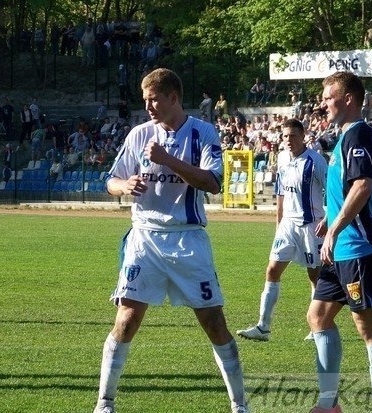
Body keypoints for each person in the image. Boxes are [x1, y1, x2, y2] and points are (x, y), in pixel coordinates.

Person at [92, 68, 249, 413]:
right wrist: (125, 186)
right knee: (127, 318)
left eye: (154, 99)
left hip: (187, 239)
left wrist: (167, 160)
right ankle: (104, 403)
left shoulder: (203, 133)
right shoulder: (138, 134)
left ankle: (240, 405)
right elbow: (111, 181)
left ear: (173, 97)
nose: (148, 106)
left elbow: (212, 182)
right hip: (144, 239)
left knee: (213, 322)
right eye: (145, 100)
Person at [307, 71, 372, 413]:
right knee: (318, 317)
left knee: (369, 326)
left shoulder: (358, 132)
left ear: (348, 99)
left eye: (329, 97)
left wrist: (335, 228)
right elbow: (349, 188)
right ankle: (329, 405)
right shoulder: (344, 137)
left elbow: (363, 187)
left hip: (359, 246)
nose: (323, 103)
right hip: (340, 246)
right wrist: (331, 218)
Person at [236, 118, 327, 342]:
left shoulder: (316, 162)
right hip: (287, 225)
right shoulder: (282, 158)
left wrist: (328, 221)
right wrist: (278, 224)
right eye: (285, 136)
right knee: (272, 270)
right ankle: (263, 327)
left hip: (311, 226)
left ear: (303, 136)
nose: (288, 140)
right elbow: (280, 194)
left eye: (292, 135)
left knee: (314, 276)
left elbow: (333, 192)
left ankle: (318, 327)